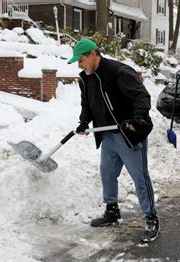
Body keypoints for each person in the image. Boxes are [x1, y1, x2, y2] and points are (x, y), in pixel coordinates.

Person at [67, 38, 159, 242]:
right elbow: (87, 104)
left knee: (140, 177)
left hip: (128, 133)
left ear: (92, 54)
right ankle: (112, 211)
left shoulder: (119, 72)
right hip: (108, 134)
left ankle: (151, 217)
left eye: (81, 60)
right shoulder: (87, 78)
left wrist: (138, 118)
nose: (79, 65)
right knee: (107, 173)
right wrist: (84, 122)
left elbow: (142, 96)